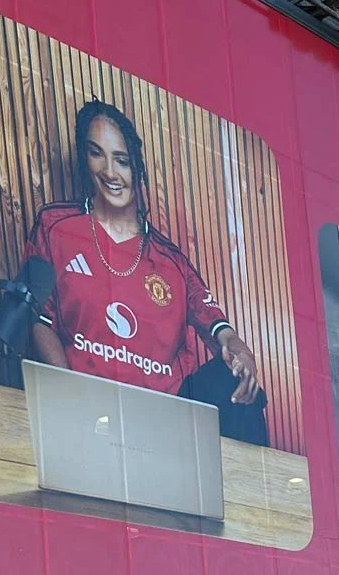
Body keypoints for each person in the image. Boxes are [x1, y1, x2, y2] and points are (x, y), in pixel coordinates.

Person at [26, 99, 263, 438]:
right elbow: (37, 318)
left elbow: (220, 329)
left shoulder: (170, 261)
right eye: (97, 154)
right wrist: (71, 394)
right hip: (91, 409)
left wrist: (242, 356)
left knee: (234, 381)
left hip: (166, 417)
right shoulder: (57, 226)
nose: (110, 172)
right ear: (83, 159)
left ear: (137, 169)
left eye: (121, 160)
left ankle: (250, 490)